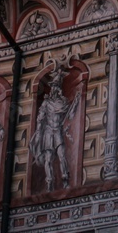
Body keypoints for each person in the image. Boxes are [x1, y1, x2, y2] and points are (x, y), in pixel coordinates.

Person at [29, 64, 80, 192]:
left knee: (62, 155)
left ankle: (65, 180)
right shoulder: (46, 103)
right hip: (48, 132)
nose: (55, 88)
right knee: (48, 159)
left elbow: (71, 115)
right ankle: (50, 182)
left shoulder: (63, 102)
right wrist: (39, 133)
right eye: (54, 86)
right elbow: (40, 118)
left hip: (57, 131)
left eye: (57, 86)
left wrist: (76, 102)